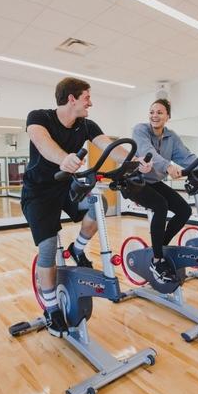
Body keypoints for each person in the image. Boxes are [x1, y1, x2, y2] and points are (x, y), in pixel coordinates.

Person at [21, 77, 151, 322]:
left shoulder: (86, 125)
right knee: (47, 248)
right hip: (38, 192)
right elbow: (43, 143)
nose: (90, 103)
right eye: (87, 98)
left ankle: (77, 249)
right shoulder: (39, 117)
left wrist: (134, 162)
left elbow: (109, 146)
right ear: (72, 98)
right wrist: (63, 159)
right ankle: (51, 308)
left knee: (98, 204)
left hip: (66, 186)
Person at [127, 98, 198, 284]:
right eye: (152, 112)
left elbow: (185, 156)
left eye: (160, 112)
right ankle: (157, 259)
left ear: (168, 116)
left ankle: (159, 246)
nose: (155, 115)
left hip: (153, 181)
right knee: (161, 205)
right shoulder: (140, 130)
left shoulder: (171, 136)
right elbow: (147, 151)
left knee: (185, 210)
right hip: (133, 181)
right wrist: (168, 166)